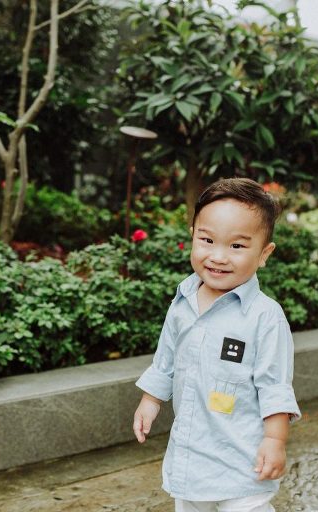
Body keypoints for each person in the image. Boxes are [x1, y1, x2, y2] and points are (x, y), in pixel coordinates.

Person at [132, 177, 302, 512]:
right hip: (192, 455)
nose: (218, 256)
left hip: (243, 457)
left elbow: (274, 386)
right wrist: (150, 400)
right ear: (193, 236)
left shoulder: (264, 317)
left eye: (237, 246)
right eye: (207, 240)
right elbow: (166, 358)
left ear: (264, 254)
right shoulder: (183, 302)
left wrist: (274, 440)